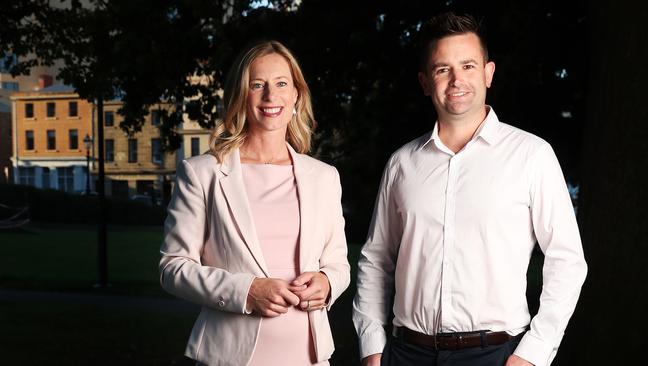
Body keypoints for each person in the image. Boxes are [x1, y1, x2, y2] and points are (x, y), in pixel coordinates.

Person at [352, 12, 587, 366]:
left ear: (488, 73)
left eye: (468, 66)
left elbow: (567, 261)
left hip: (496, 354)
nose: (456, 80)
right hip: (406, 353)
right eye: (442, 69)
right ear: (425, 81)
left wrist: (533, 354)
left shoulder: (531, 156)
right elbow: (375, 259)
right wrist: (372, 346)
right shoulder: (402, 164)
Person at [160, 40, 350, 366]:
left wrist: (328, 282)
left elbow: (339, 264)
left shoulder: (324, 177)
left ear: (296, 96)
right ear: (240, 95)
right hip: (229, 357)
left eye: (281, 84)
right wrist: (245, 291)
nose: (270, 96)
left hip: (309, 356)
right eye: (257, 85)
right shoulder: (203, 173)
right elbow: (172, 268)